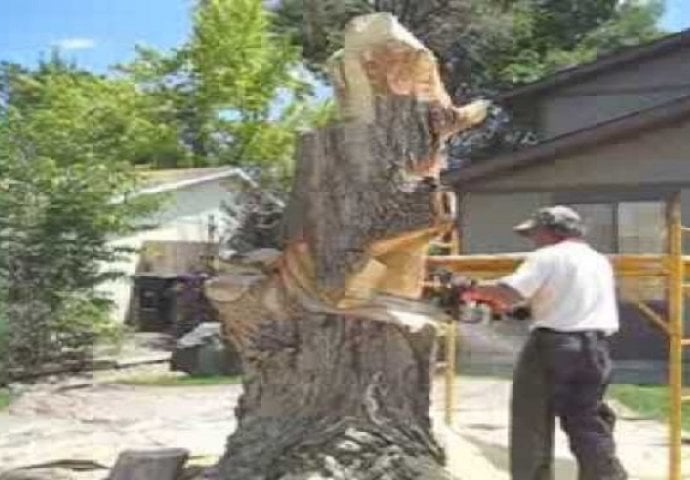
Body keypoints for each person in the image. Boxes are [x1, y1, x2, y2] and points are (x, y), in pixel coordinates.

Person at [468, 205, 628, 480]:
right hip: (595, 348)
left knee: (531, 419)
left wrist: (469, 287)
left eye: (535, 233)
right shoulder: (598, 260)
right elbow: (565, 300)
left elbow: (508, 293)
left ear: (550, 230)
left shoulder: (546, 257)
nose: (533, 239)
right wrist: (524, 311)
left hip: (553, 345)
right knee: (586, 420)